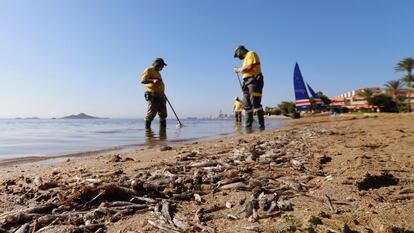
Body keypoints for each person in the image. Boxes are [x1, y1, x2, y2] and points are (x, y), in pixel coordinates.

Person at [233, 45, 265, 128]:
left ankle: (261, 127)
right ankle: (248, 128)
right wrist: (240, 70)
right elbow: (246, 69)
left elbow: (250, 67)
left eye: (238, 55)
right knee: (247, 105)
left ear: (240, 51)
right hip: (246, 83)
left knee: (256, 103)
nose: (238, 57)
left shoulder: (251, 53)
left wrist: (239, 69)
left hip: (254, 80)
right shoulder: (245, 59)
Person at [140, 58, 168, 129]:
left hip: (161, 95)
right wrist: (153, 81)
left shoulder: (158, 73)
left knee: (163, 114)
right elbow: (143, 81)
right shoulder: (149, 70)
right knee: (151, 114)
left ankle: (163, 133)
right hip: (153, 95)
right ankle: (148, 133)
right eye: (162, 66)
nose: (163, 67)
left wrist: (162, 92)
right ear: (157, 65)